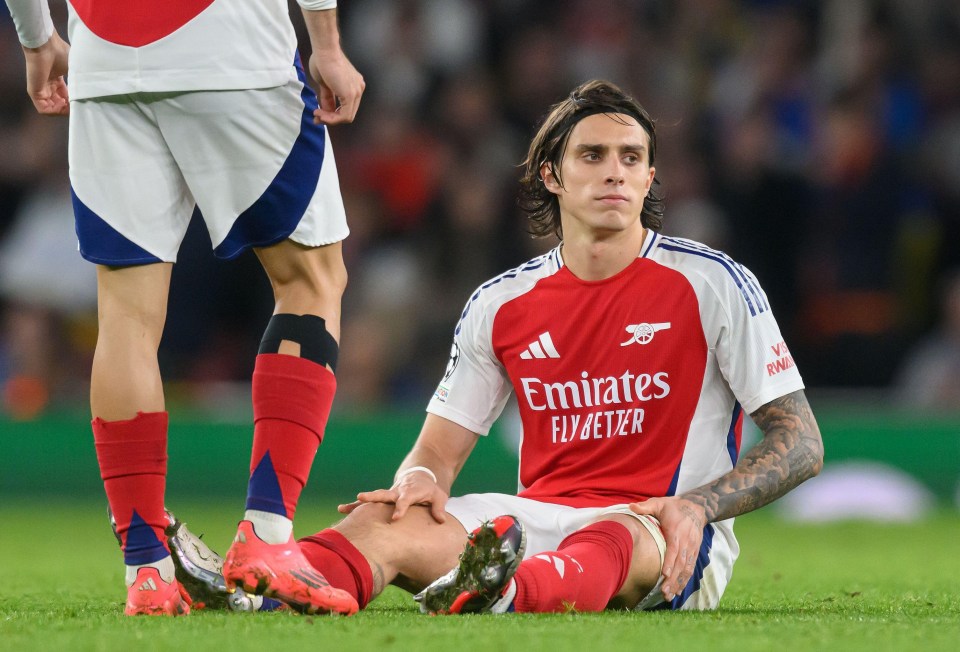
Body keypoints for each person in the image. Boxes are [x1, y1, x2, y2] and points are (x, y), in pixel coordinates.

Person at [165, 78, 824, 616]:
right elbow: (435, 456)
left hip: (664, 534)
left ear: (651, 178)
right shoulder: (500, 304)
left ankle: (505, 594)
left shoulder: (713, 284)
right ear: (552, 176)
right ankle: (260, 591)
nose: (615, 173)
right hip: (534, 523)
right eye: (592, 155)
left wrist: (698, 506)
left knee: (613, 537)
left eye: (631, 158)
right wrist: (416, 484)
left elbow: (801, 443)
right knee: (382, 522)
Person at [4, 0, 364, 616]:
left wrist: (38, 40)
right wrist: (325, 40)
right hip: (232, 50)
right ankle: (268, 537)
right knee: (311, 280)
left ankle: (146, 569)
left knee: (124, 316)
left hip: (106, 60)